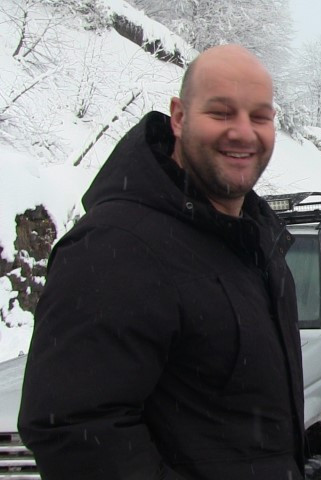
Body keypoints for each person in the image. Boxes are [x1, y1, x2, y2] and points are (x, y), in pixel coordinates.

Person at [18, 45, 304, 480]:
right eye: (221, 112)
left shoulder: (253, 239)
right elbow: (75, 432)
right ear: (179, 117)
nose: (244, 133)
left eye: (260, 117)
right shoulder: (116, 244)